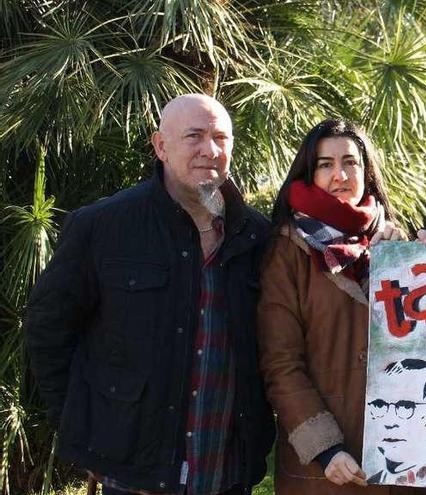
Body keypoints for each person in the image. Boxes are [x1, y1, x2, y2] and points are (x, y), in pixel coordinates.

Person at [25, 94, 275, 494]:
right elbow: (46, 331)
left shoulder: (257, 237)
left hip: (226, 472)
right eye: (193, 136)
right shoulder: (104, 227)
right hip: (134, 476)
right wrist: (92, 429)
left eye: (220, 138)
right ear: (161, 146)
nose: (209, 150)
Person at [256, 118, 424, 495]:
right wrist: (325, 448)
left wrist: (403, 259)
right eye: (326, 164)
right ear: (310, 172)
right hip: (324, 469)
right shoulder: (288, 249)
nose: (340, 174)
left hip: (400, 459)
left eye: (350, 162)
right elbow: (280, 362)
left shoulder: (397, 242)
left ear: (367, 171)